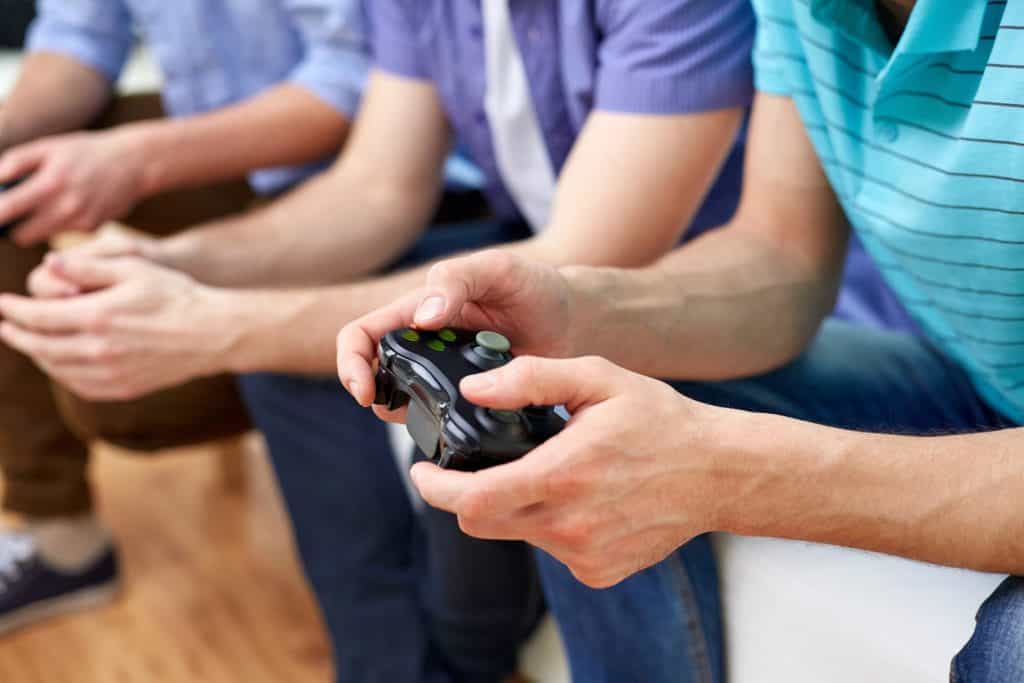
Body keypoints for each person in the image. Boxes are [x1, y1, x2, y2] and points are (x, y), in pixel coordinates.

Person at [0, 1, 818, 680]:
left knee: (533, 468)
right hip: (536, 253)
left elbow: (592, 260)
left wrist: (214, 323)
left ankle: (452, 653)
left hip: (660, 290)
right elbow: (377, 187)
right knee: (297, 363)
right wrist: (179, 262)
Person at [337, 0, 1024, 681]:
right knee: (588, 399)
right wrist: (574, 308)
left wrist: (733, 475)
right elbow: (781, 256)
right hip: (979, 376)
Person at [0, 0, 367, 637]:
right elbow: (76, 38)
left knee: (122, 398)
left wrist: (139, 161)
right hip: (221, 139)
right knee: (12, 183)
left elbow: (360, 78)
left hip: (354, 159)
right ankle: (59, 532)